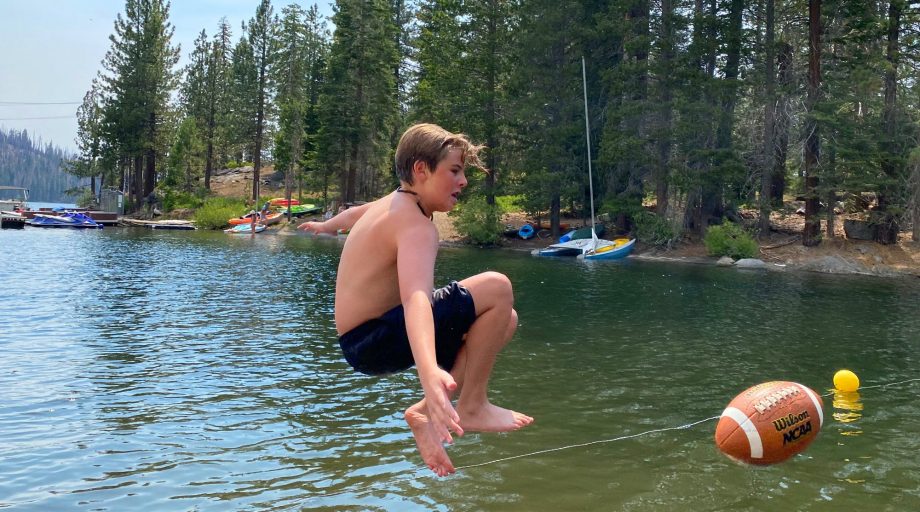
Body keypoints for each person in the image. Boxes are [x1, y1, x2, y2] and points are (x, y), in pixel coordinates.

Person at [298, 123, 533, 476]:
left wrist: (326, 225)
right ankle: (472, 405)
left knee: (503, 319)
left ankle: (423, 410)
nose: (463, 181)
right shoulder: (415, 226)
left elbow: (353, 214)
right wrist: (429, 373)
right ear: (421, 170)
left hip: (363, 344)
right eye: (454, 171)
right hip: (376, 336)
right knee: (497, 286)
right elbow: (416, 299)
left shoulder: (392, 204)